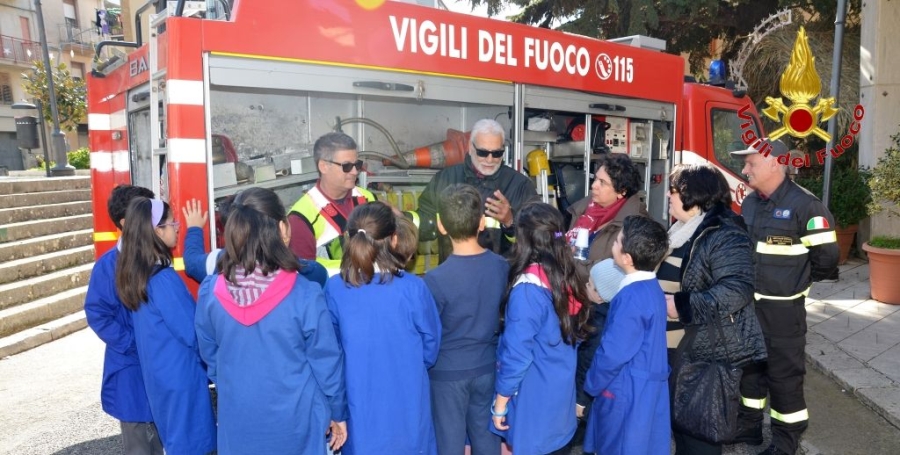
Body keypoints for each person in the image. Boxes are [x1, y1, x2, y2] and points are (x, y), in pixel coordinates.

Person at [194, 187, 348, 455]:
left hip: (239, 420)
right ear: (282, 228)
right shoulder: (304, 294)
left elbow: (211, 357)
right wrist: (337, 411)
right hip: (297, 423)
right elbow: (326, 363)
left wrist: (232, 383)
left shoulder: (210, 292)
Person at [731, 139, 839, 455]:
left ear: (775, 163)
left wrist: (797, 284)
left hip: (783, 311)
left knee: (784, 377)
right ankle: (749, 427)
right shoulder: (750, 203)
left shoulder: (807, 206)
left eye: (751, 163)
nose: (744, 169)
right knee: (750, 369)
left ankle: (785, 442)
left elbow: (827, 258)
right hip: (749, 305)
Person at [659, 164, 767, 455]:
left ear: (694, 195)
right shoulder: (682, 230)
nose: (668, 197)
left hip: (704, 351)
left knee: (699, 436)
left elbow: (737, 289)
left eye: (674, 191)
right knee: (683, 429)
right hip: (676, 347)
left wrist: (681, 306)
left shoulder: (724, 233)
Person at [324, 201, 442, 455]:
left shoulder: (335, 289)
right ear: (395, 239)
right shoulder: (413, 288)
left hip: (359, 407)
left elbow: (331, 353)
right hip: (408, 401)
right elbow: (431, 346)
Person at [114, 197, 216, 455]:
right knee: (194, 445)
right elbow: (193, 333)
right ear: (157, 231)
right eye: (172, 223)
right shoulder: (164, 279)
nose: (177, 227)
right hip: (182, 379)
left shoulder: (138, 273)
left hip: (161, 377)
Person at [490, 201, 591, 455]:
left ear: (523, 240)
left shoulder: (528, 289)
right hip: (560, 400)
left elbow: (517, 355)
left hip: (534, 402)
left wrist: (500, 403)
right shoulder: (566, 275)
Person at [424, 184, 507, 455]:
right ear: (482, 223)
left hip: (447, 374)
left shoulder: (435, 279)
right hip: (487, 367)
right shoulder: (501, 266)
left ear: (441, 225)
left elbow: (429, 333)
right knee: (486, 440)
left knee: (449, 443)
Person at [566, 152, 648, 424]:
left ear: (622, 191)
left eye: (602, 182)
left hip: (605, 311)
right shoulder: (582, 212)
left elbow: (636, 269)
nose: (593, 187)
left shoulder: (636, 225)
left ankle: (587, 419)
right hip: (575, 304)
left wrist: (600, 286)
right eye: (595, 179)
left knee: (592, 370)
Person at [84, 184, 164, 455]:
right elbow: (98, 313)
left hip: (158, 365)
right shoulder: (107, 266)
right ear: (127, 222)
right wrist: (133, 343)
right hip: (131, 367)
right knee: (140, 442)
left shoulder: (157, 257)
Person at [582, 215, 670, 455]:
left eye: (617, 241)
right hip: (646, 387)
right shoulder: (652, 288)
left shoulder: (630, 296)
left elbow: (613, 353)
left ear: (627, 258)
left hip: (625, 391)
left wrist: (591, 385)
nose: (614, 242)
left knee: (618, 446)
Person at [415, 118, 539, 262]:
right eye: (483, 152)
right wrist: (400, 220)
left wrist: (510, 222)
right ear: (470, 147)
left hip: (501, 280)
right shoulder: (445, 178)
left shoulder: (520, 185)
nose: (490, 159)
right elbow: (424, 222)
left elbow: (538, 241)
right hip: (456, 277)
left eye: (497, 153)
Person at [182, 198, 327, 287]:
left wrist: (194, 228)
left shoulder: (218, 262)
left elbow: (191, 262)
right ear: (283, 229)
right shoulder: (311, 273)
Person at [288, 132, 376, 276]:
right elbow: (305, 278)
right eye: (347, 166)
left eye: (357, 164)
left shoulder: (367, 198)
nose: (355, 172)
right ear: (323, 166)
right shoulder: (300, 218)